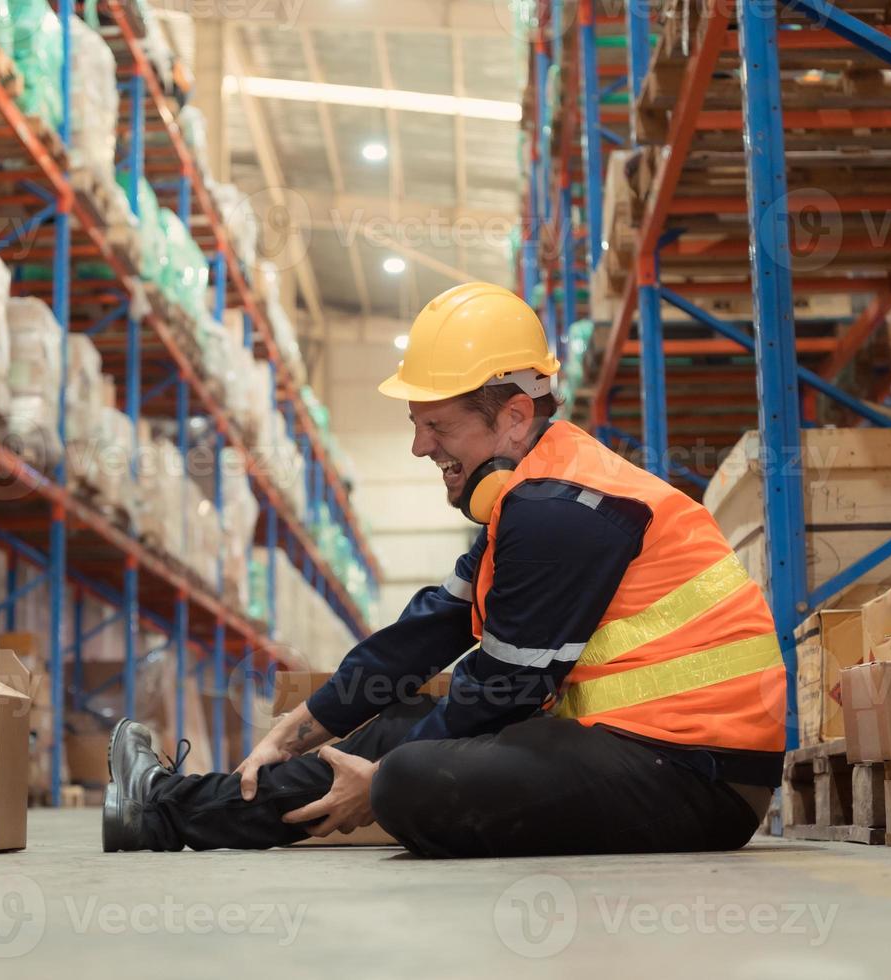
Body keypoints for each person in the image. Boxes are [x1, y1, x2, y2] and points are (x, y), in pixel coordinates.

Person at [102, 281, 786, 858]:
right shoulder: (528, 493)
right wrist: (301, 726)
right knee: (400, 723)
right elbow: (430, 628)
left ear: (515, 418)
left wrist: (375, 775)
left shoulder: (564, 509)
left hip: (699, 781)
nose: (418, 446)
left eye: (437, 427)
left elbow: (500, 689)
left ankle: (168, 810)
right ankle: (163, 812)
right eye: (415, 423)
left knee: (405, 778)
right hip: (632, 750)